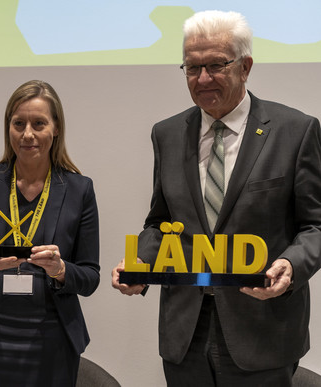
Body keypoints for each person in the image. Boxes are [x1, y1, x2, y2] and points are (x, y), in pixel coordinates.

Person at [112, 10, 321, 386]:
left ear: (246, 66)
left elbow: (315, 226)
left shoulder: (296, 131)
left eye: (215, 65)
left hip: (262, 332)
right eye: (192, 68)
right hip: (185, 335)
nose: (203, 78)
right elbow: (159, 221)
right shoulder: (168, 134)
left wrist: (290, 266)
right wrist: (142, 261)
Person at [0, 80, 100, 386]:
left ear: (56, 129)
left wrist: (60, 270)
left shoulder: (79, 190)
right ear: (9, 128)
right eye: (19, 123)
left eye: (39, 123)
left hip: (52, 339)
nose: (28, 134)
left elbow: (90, 277)